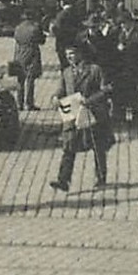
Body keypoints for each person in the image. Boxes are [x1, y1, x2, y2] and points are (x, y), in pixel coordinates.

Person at [50, 43, 115, 192]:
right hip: (73, 114)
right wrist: (55, 97)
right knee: (69, 146)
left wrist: (89, 100)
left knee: (98, 147)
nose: (69, 57)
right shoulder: (66, 72)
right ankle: (63, 180)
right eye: (67, 54)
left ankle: (101, 178)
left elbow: (106, 90)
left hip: (93, 114)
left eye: (72, 53)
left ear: (80, 54)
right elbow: (61, 89)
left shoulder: (94, 70)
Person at [10, 11, 44, 110]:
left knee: (20, 80)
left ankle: (19, 103)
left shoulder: (18, 28)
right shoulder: (35, 27)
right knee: (30, 80)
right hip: (31, 53)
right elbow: (42, 41)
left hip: (18, 53)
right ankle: (29, 103)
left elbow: (16, 38)